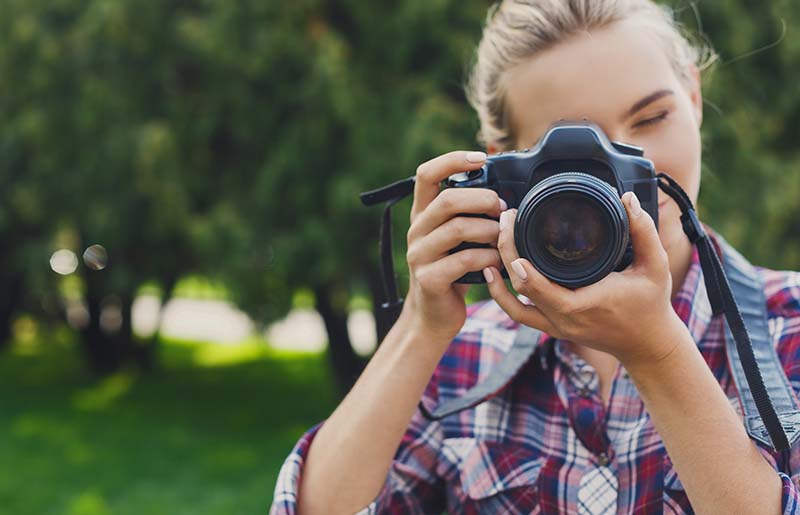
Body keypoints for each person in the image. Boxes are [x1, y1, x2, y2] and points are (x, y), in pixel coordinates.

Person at [271, 1, 800, 513]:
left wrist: (658, 353)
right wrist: (420, 326)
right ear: (505, 165)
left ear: (693, 97)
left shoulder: (789, 330)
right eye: (578, 154)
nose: (621, 180)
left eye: (651, 118)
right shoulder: (462, 353)